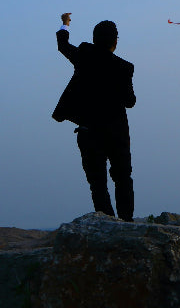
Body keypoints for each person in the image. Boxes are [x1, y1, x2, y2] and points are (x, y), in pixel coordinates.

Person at [53, 12, 136, 221]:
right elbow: (130, 101)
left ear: (94, 39)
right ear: (115, 40)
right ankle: (126, 222)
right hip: (116, 131)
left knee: (97, 182)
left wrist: (65, 24)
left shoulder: (84, 54)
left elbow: (63, 45)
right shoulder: (125, 67)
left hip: (89, 131)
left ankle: (107, 222)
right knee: (123, 177)